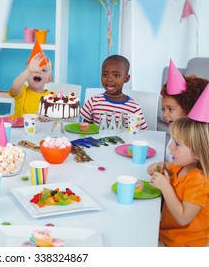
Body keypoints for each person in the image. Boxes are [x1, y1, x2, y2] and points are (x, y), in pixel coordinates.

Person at [147, 116, 209, 247]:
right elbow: (167, 165)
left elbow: (183, 218)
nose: (170, 147)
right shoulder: (182, 165)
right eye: (172, 140)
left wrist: (165, 187)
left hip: (185, 243)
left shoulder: (199, 181)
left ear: (198, 152)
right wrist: (157, 166)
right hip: (168, 231)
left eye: (177, 144)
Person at [80, 55, 148, 130]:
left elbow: (141, 134)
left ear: (126, 79)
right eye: (105, 74)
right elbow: (85, 129)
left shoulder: (134, 107)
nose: (109, 79)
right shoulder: (93, 102)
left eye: (116, 75)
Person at [160, 75, 207, 161]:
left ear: (189, 109)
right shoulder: (175, 133)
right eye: (164, 109)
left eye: (170, 109)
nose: (165, 114)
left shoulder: (195, 144)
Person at [9, 53, 53, 117]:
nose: (38, 71)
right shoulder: (22, 92)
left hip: (43, 127)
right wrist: (28, 71)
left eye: (44, 70)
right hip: (21, 127)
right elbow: (15, 87)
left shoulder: (52, 97)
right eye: (34, 69)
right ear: (26, 76)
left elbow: (55, 119)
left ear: (49, 79)